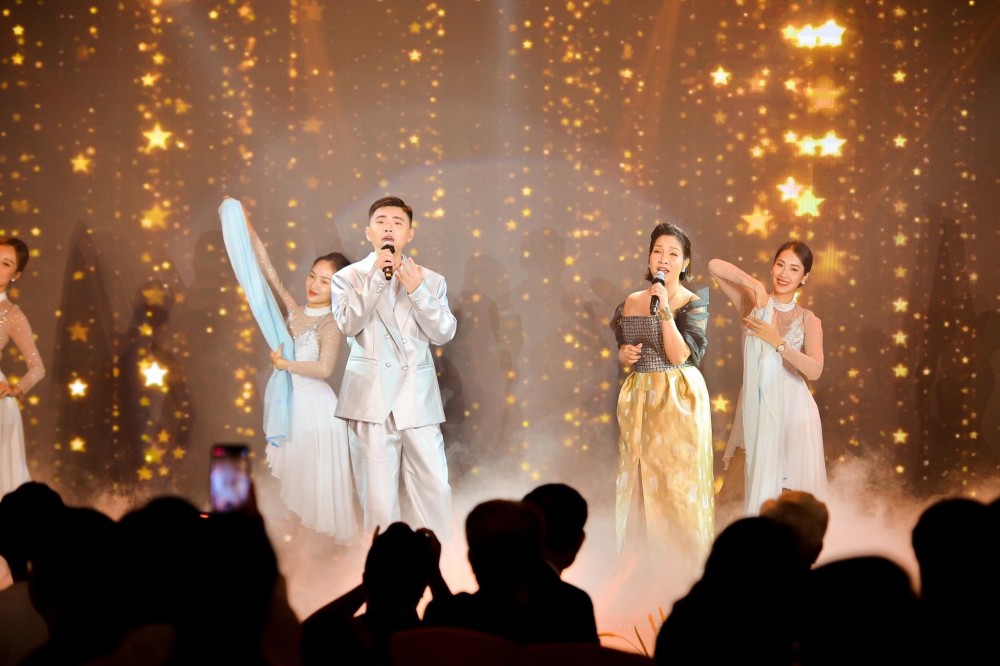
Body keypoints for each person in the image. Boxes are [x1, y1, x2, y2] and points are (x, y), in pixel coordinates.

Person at [221, 198, 358, 542]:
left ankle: (324, 552)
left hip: (318, 411)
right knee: (299, 485)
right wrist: (246, 224)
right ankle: (301, 549)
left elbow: (325, 368)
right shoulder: (296, 311)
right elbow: (267, 271)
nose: (314, 284)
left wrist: (284, 364)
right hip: (295, 406)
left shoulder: (331, 323)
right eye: (312, 276)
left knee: (315, 487)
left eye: (325, 281)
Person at [330, 196, 456, 539]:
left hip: (416, 398)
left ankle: (440, 560)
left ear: (409, 234)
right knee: (377, 501)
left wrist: (417, 291)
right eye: (381, 221)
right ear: (369, 232)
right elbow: (348, 323)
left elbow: (443, 333)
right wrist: (377, 277)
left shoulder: (431, 280)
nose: (389, 227)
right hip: (370, 399)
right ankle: (383, 565)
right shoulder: (347, 277)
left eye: (397, 222)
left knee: (434, 490)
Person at [610, 223, 714, 564]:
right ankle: (639, 563)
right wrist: (624, 353)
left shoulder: (692, 302)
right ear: (649, 257)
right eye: (658, 251)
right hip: (639, 396)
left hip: (678, 397)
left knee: (675, 480)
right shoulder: (631, 301)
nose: (664, 260)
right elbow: (625, 345)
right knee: (638, 477)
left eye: (673, 254)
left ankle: (680, 562)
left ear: (685, 263)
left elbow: (680, 355)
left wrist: (665, 308)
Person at [708, 241, 827, 515]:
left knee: (785, 497)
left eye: (794, 269)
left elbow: (815, 370)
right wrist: (756, 286)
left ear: (804, 277)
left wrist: (778, 343)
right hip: (756, 402)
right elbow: (714, 266)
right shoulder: (753, 303)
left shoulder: (808, 319)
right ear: (772, 267)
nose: (785, 274)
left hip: (793, 411)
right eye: (780, 265)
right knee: (735, 490)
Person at [0, 237, 44, 497]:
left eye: (5, 264)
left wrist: (16, 388)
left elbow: (37, 367)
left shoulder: (11, 314)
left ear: (15, 275)